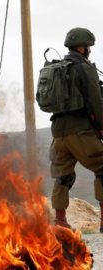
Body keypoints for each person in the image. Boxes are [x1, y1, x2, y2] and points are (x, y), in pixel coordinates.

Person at [49, 27, 103, 231]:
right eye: (88, 46)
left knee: (62, 176)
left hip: (58, 133)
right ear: (82, 47)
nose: (89, 50)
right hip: (80, 131)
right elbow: (95, 101)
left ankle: (60, 221)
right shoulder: (85, 68)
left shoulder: (56, 68)